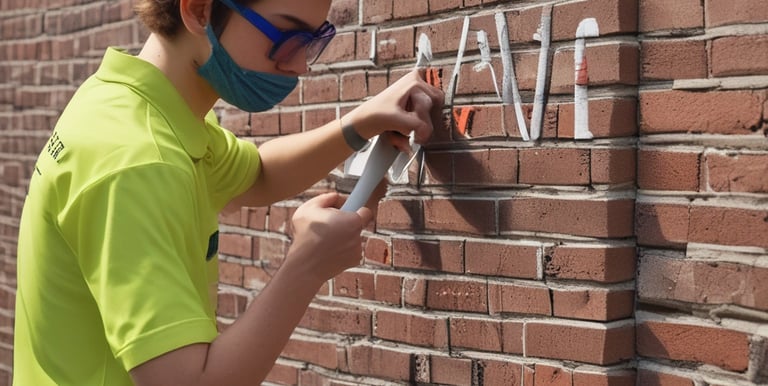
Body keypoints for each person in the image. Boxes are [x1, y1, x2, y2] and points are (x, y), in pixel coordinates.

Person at [12, 0, 444, 384]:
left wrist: (363, 121)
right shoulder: (137, 162)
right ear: (199, 10)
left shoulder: (134, 108)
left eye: (314, 40)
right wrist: (307, 266)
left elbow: (256, 175)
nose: (299, 66)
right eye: (288, 35)